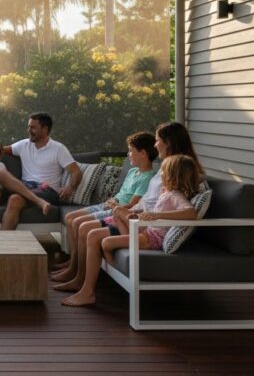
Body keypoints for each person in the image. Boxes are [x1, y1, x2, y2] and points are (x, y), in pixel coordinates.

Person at [54, 121, 203, 295]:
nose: (155, 145)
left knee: (90, 231)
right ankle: (77, 275)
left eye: (157, 140)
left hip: (144, 225)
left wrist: (140, 213)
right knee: (84, 225)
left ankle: (84, 286)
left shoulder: (176, 169)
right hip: (137, 216)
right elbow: (154, 200)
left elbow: (169, 206)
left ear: (168, 142)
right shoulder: (168, 167)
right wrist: (130, 211)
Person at [51, 131, 157, 282]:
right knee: (70, 218)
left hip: (117, 210)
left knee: (78, 223)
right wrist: (111, 201)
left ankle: (75, 269)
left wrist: (115, 206)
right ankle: (73, 262)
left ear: (143, 153)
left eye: (131, 151)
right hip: (109, 205)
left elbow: (133, 204)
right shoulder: (133, 171)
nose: (128, 154)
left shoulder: (148, 177)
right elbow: (121, 193)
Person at [0, 113, 82, 230]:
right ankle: (39, 202)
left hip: (46, 190)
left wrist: (70, 188)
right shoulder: (23, 144)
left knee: (14, 199)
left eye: (33, 127)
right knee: (0, 172)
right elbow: (0, 150)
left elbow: (76, 172)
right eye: (28, 127)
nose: (29, 130)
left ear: (45, 129)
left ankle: (3, 243)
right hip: (25, 186)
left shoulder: (58, 149)